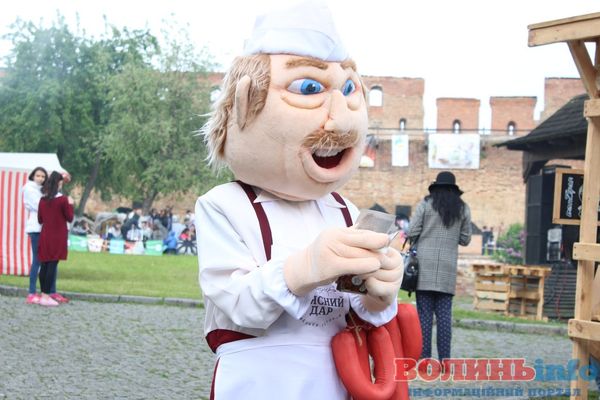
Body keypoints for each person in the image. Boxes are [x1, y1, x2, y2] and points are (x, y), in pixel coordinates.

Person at [195, 2, 405, 399]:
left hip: (333, 379)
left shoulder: (344, 210)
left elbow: (359, 312)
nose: (340, 120)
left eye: (348, 90)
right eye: (309, 89)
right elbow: (235, 305)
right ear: (244, 102)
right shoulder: (224, 204)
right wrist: (303, 268)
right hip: (259, 380)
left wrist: (379, 293)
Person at [408, 171, 472, 369]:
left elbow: (412, 231)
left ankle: (424, 360)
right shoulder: (463, 208)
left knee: (424, 316)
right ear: (454, 189)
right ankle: (445, 361)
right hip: (447, 268)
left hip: (424, 268)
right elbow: (466, 239)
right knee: (444, 317)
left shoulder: (425, 204)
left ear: (435, 187)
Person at [37, 171, 74, 307]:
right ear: (58, 184)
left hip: (45, 235)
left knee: (44, 265)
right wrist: (71, 204)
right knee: (52, 265)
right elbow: (70, 217)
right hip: (58, 235)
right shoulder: (63, 200)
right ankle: (46, 296)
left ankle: (43, 295)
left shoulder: (42, 200)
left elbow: (40, 219)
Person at [21, 166, 48, 304]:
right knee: (37, 260)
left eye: (43, 176)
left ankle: (43, 291)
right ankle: (31, 292)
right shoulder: (29, 189)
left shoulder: (42, 190)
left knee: (44, 260)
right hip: (36, 227)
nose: (40, 178)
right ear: (33, 176)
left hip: (44, 227)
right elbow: (39, 206)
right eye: (38, 176)